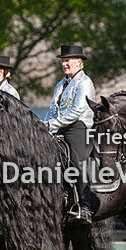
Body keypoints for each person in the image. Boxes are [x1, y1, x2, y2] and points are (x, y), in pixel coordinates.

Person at [44, 45, 96, 226]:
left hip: (78, 127)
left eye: (68, 60)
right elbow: (52, 110)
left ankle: (85, 206)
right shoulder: (60, 84)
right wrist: (44, 126)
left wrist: (52, 124)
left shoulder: (85, 83)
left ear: (79, 62)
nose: (64, 64)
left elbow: (77, 111)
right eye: (63, 61)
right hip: (59, 128)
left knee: (77, 160)